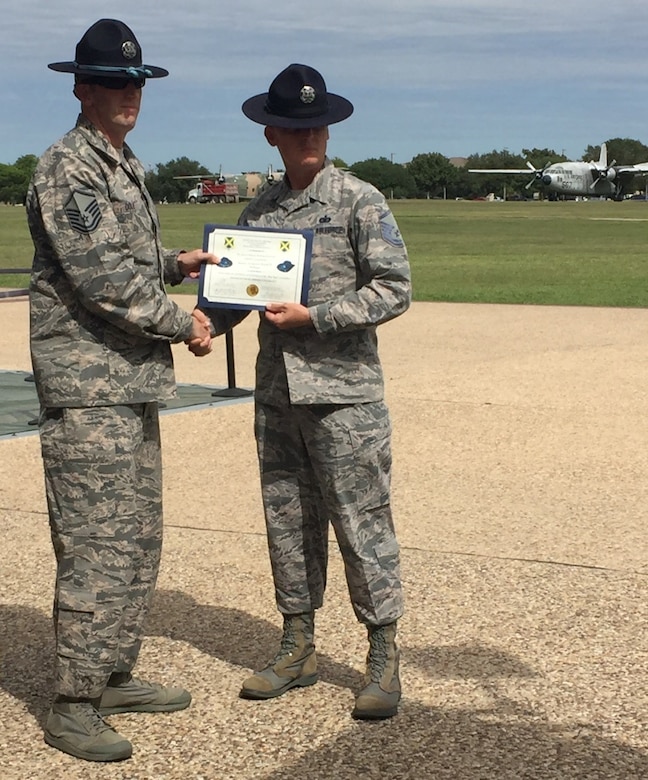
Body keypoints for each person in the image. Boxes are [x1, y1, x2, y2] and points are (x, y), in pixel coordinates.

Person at [26, 19, 215, 762]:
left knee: (137, 541)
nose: (127, 94)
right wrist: (184, 322)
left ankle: (111, 675)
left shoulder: (120, 162)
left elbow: (126, 258)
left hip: (127, 386)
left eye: (135, 81)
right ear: (82, 88)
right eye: (111, 81)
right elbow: (101, 279)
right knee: (97, 546)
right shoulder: (66, 167)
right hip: (89, 389)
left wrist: (176, 262)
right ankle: (74, 702)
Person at [203, 63, 411, 720]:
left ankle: (383, 654)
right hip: (278, 398)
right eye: (295, 127)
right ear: (272, 134)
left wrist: (317, 317)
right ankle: (298, 645)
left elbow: (393, 289)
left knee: (361, 524)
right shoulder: (259, 212)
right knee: (287, 521)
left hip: (345, 398)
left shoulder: (359, 200)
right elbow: (239, 295)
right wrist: (205, 320)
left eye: (316, 124)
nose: (308, 136)